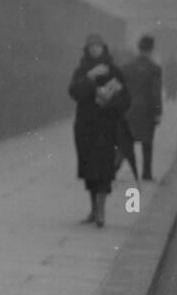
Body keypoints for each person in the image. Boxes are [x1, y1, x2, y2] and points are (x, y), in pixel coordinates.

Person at [68, 33, 130, 228]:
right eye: (92, 46)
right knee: (89, 169)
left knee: (103, 168)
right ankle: (93, 208)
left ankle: (101, 211)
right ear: (87, 49)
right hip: (86, 125)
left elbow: (125, 98)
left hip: (106, 125)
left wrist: (109, 103)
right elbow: (74, 92)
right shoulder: (82, 70)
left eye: (98, 46)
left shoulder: (114, 70)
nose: (95, 49)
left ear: (104, 48)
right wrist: (89, 78)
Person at [122, 35, 163, 181]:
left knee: (126, 142)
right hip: (146, 111)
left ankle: (112, 169)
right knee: (147, 142)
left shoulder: (127, 67)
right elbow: (155, 93)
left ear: (139, 48)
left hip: (128, 110)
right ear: (151, 49)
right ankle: (146, 173)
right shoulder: (154, 69)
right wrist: (158, 112)